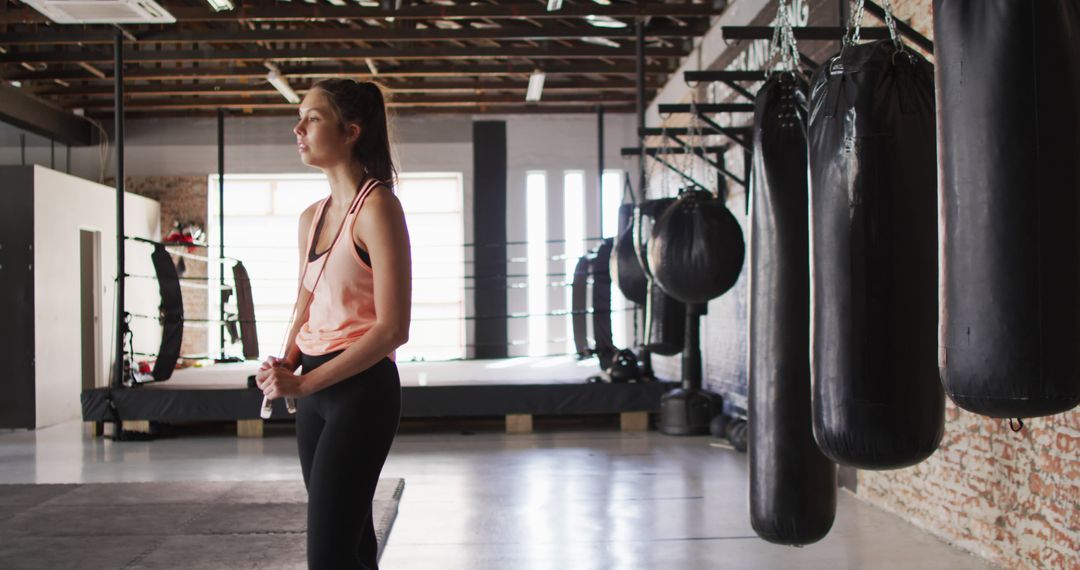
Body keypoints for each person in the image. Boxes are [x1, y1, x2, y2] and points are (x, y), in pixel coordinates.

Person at [255, 78, 411, 570]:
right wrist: (285, 364)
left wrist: (303, 384)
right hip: (314, 393)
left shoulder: (378, 208)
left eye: (313, 118)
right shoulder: (311, 217)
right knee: (353, 546)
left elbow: (393, 329)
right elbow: (304, 305)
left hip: (360, 391)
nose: (297, 128)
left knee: (327, 555)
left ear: (350, 131)